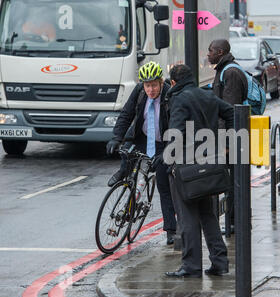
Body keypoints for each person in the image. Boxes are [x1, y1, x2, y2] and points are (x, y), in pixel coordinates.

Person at [164, 64, 234, 278]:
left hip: (186, 167)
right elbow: (231, 112)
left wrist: (168, 159)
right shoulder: (207, 95)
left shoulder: (179, 99)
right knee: (207, 214)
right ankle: (220, 261)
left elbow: (176, 133)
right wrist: (227, 142)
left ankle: (191, 266)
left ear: (173, 82)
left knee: (187, 218)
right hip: (209, 162)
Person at [106, 61, 177, 245]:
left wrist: (167, 153)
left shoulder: (170, 96)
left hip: (163, 143)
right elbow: (126, 115)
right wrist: (116, 137)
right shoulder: (139, 92)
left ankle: (171, 229)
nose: (150, 90)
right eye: (147, 85)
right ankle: (123, 173)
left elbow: (177, 125)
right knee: (127, 154)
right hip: (142, 138)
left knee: (164, 185)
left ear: (161, 82)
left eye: (154, 85)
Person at [207, 39, 248, 235]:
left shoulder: (230, 72)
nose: (208, 54)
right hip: (232, 136)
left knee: (233, 181)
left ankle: (236, 222)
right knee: (231, 180)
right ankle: (234, 222)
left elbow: (230, 111)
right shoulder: (224, 69)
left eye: (211, 50)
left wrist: (226, 142)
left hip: (234, 138)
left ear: (220, 52)